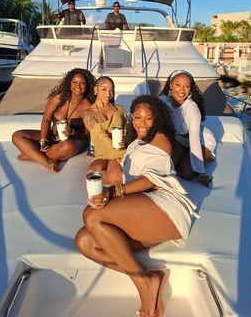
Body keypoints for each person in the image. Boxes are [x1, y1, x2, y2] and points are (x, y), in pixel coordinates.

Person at [75, 95, 198, 317]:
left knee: (91, 216)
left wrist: (115, 192)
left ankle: (143, 285)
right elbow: (115, 175)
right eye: (137, 117)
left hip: (165, 207)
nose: (141, 123)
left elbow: (151, 179)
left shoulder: (160, 139)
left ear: (157, 120)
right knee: (84, 242)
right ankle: (149, 276)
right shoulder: (134, 143)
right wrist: (116, 155)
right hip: (144, 212)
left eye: (148, 118)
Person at [12, 68, 95, 172]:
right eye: (75, 82)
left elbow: (87, 133)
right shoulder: (58, 99)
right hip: (53, 136)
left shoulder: (87, 106)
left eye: (82, 83)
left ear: (87, 85)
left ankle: (32, 155)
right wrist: (43, 140)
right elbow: (46, 119)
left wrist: (73, 132)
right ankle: (47, 162)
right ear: (69, 83)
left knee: (68, 146)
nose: (78, 86)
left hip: (75, 140)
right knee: (17, 136)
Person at [159, 70, 216, 187]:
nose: (182, 90)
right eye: (178, 85)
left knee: (186, 173)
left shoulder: (192, 109)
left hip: (200, 141)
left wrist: (201, 172)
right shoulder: (163, 101)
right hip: (180, 140)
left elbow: (194, 139)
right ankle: (185, 154)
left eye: (187, 86)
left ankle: (207, 155)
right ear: (170, 85)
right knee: (167, 167)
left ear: (190, 89)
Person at [82, 76, 127, 184]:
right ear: (95, 90)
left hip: (120, 148)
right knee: (93, 173)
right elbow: (99, 136)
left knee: (115, 177)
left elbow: (128, 130)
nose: (108, 94)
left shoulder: (119, 109)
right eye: (104, 89)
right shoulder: (88, 113)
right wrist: (119, 152)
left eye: (111, 90)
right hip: (103, 151)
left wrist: (125, 142)